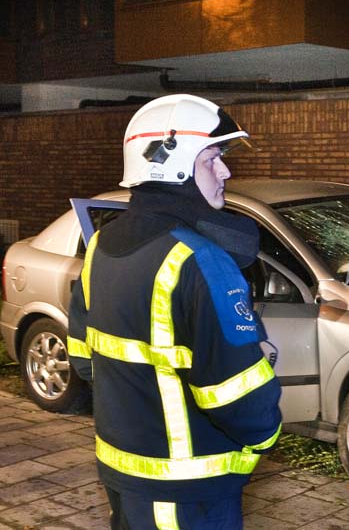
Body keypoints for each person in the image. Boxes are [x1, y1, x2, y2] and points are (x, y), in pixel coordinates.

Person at [67, 94, 282, 529]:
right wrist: (264, 435)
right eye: (213, 158)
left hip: (124, 478)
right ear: (176, 165)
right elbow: (238, 395)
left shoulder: (101, 248)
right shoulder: (200, 259)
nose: (226, 171)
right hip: (189, 493)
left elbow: (84, 361)